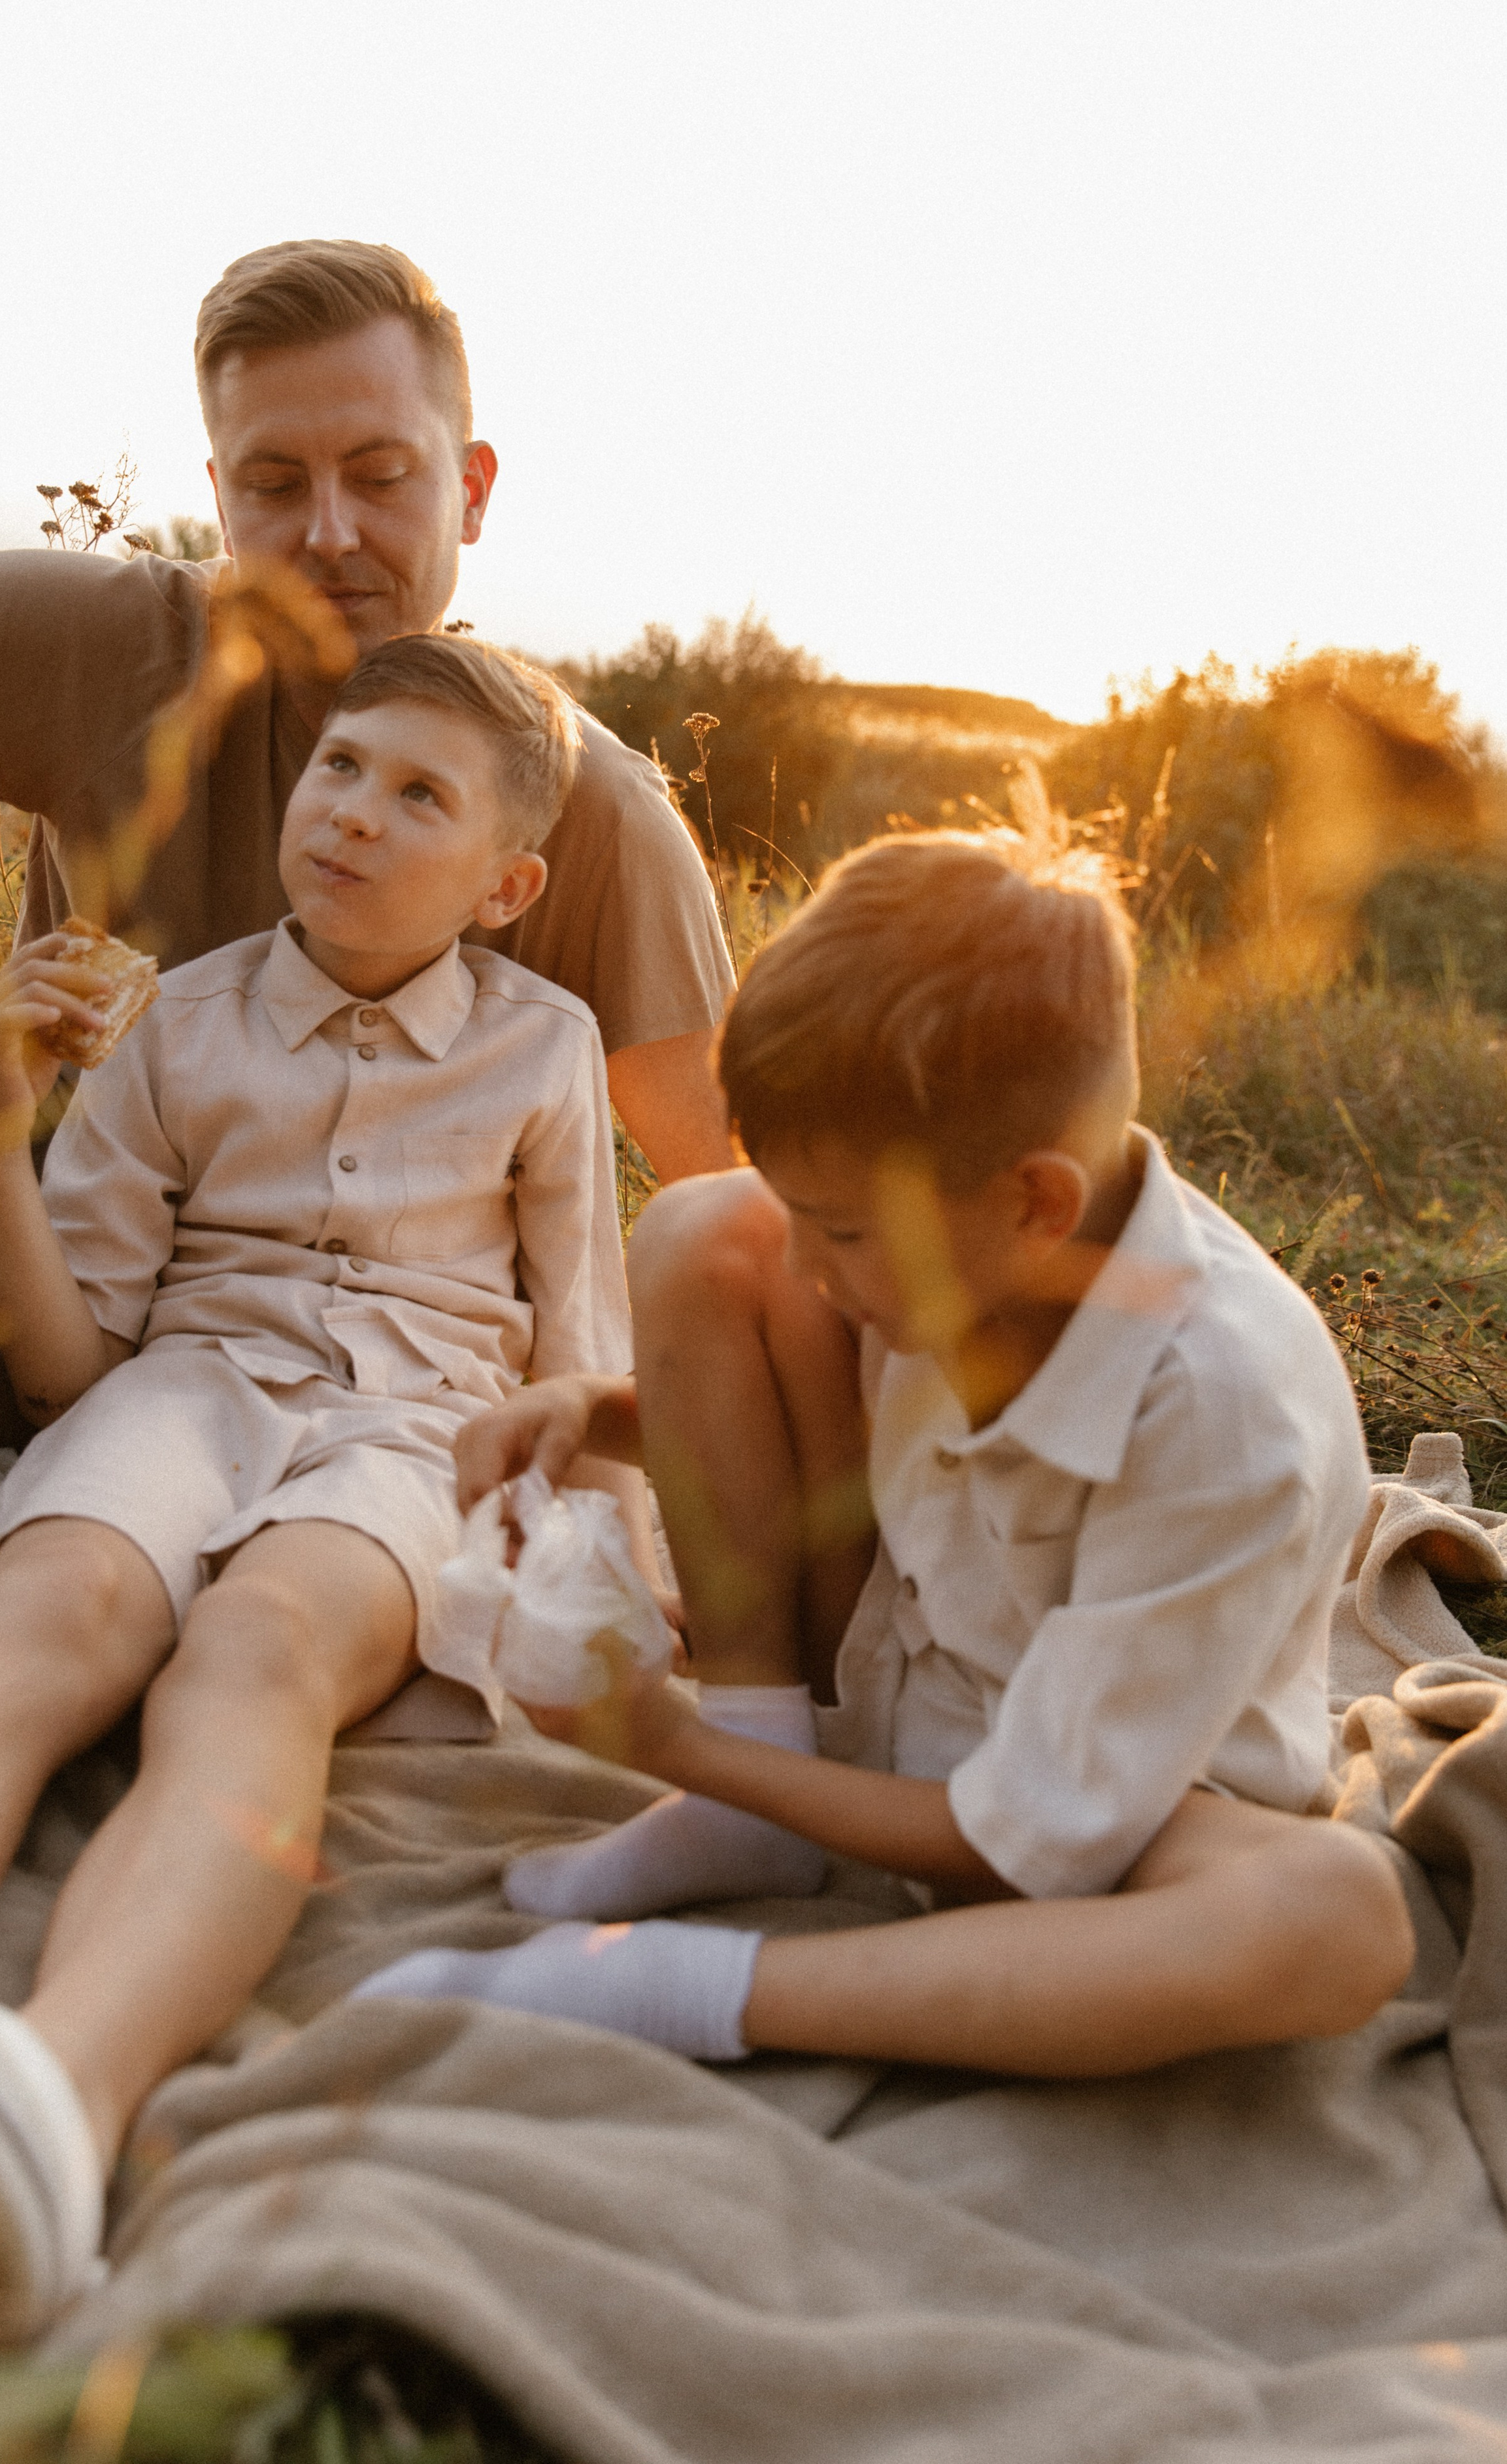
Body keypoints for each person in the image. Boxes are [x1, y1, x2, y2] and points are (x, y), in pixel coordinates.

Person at [0, 634, 643, 2342]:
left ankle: (49, 2110)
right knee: (43, 1624)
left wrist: (607, 1572)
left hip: (417, 1434)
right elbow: (68, 1366)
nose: (351, 809)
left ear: (507, 885)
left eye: (416, 791)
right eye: (338, 765)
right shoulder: (178, 1022)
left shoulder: (547, 1048)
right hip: (183, 1386)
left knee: (258, 1656)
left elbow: (576, 1345)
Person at [356, 830, 1416, 2075]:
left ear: (1036, 1206)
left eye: (847, 1231)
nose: (811, 1267)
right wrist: (594, 1412)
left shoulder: (1227, 1419)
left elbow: (1034, 1838)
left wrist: (673, 1743)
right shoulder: (966, 1252)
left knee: (1337, 1919)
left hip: (1117, 1829)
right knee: (710, 1228)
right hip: (891, 1686)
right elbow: (861, 1417)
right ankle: (754, 1804)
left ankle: (684, 1986)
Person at [0, 237, 734, 1459]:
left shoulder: (585, 812)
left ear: (469, 487)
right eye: (274, 484)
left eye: (380, 476)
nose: (328, 533)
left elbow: (731, 1192)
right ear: (220, 498)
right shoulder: (135, 641)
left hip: (190, 1337)